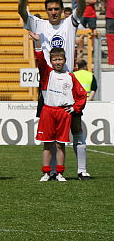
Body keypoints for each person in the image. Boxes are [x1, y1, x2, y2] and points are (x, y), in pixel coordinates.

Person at [19, 0, 91, 180]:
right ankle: (50, 172)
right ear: (46, 11)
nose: (53, 12)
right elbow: (22, 13)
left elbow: (83, 8)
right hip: (47, 84)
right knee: (50, 130)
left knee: (76, 125)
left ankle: (81, 169)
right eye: (50, 9)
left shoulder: (69, 23)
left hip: (67, 80)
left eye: (56, 9)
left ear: (61, 10)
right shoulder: (39, 25)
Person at [28, 32, 86, 182]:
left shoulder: (70, 76)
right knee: (47, 144)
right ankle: (47, 173)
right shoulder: (48, 74)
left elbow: (82, 95)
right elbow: (40, 61)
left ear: (65, 60)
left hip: (63, 112)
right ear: (51, 61)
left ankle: (59, 173)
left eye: (60, 59)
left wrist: (74, 108)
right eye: (55, 59)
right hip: (48, 111)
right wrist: (38, 44)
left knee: (61, 145)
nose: (58, 62)